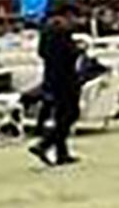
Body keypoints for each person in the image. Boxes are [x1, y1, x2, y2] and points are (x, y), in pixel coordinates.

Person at [31, 13, 83, 167]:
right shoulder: (63, 33)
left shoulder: (46, 33)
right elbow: (69, 55)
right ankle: (45, 144)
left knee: (61, 115)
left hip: (51, 78)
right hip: (66, 79)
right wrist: (78, 49)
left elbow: (42, 53)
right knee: (71, 113)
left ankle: (62, 153)